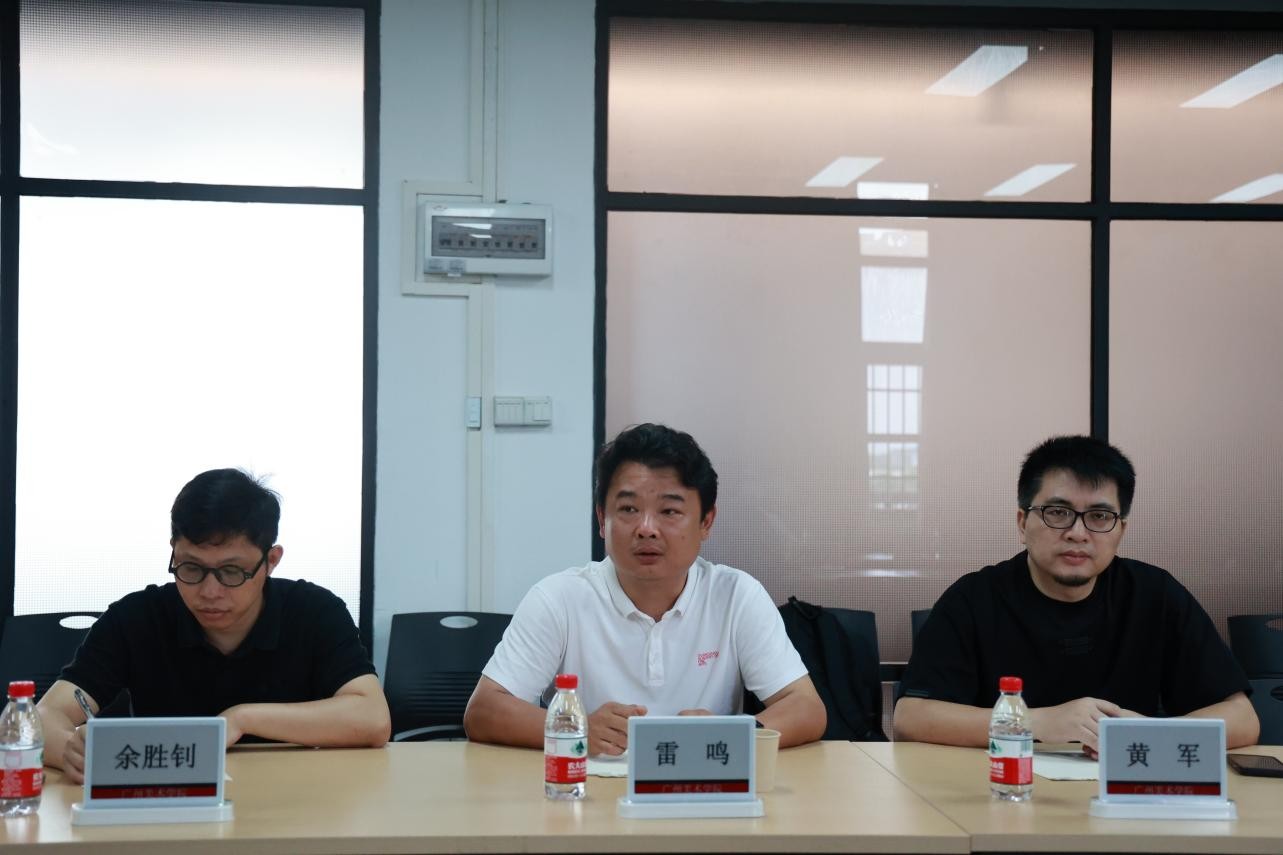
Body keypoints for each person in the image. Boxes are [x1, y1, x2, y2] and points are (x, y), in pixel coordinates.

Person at [464, 423, 826, 754]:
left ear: (706, 521)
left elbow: (806, 707)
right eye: (628, 509)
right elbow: (483, 711)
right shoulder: (559, 598)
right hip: (587, 790)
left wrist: (733, 734)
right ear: (602, 520)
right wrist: (577, 729)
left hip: (700, 789)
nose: (647, 528)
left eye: (669, 511)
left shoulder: (736, 596)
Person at [894, 435, 1259, 752]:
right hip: (1004, 787)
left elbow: (1242, 719)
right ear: (1022, 523)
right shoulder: (974, 598)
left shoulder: (1155, 595)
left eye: (1099, 517)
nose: (1078, 533)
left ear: (1121, 530)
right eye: (1058, 512)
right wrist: (1035, 723)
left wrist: (1147, 734)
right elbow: (910, 718)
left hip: (1122, 791)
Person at [39, 469, 390, 783]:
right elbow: (40, 716)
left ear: (270, 560)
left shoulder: (314, 611)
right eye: (191, 568)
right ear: (174, 552)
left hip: (296, 797)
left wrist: (242, 719)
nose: (209, 592)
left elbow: (373, 719)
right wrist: (70, 748)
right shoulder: (136, 618)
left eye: (231, 572)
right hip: (171, 805)